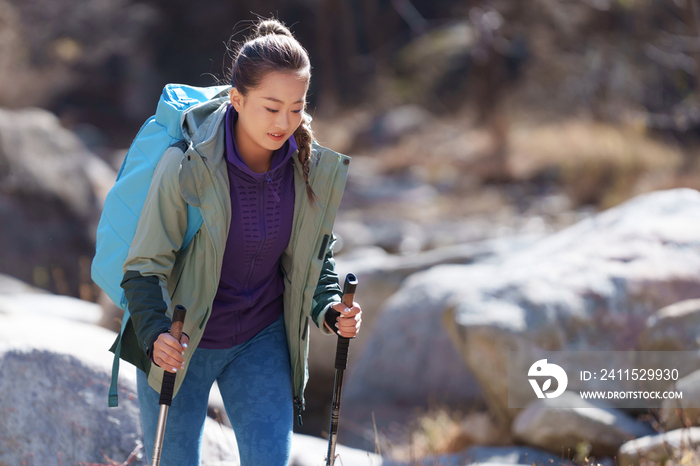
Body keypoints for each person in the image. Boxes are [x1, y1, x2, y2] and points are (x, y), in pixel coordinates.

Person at [117, 17, 362, 465]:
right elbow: (143, 267)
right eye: (270, 107)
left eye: (296, 107)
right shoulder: (184, 168)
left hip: (260, 339)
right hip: (180, 342)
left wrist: (330, 309)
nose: (284, 122)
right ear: (237, 99)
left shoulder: (307, 169)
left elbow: (314, 260)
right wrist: (155, 334)